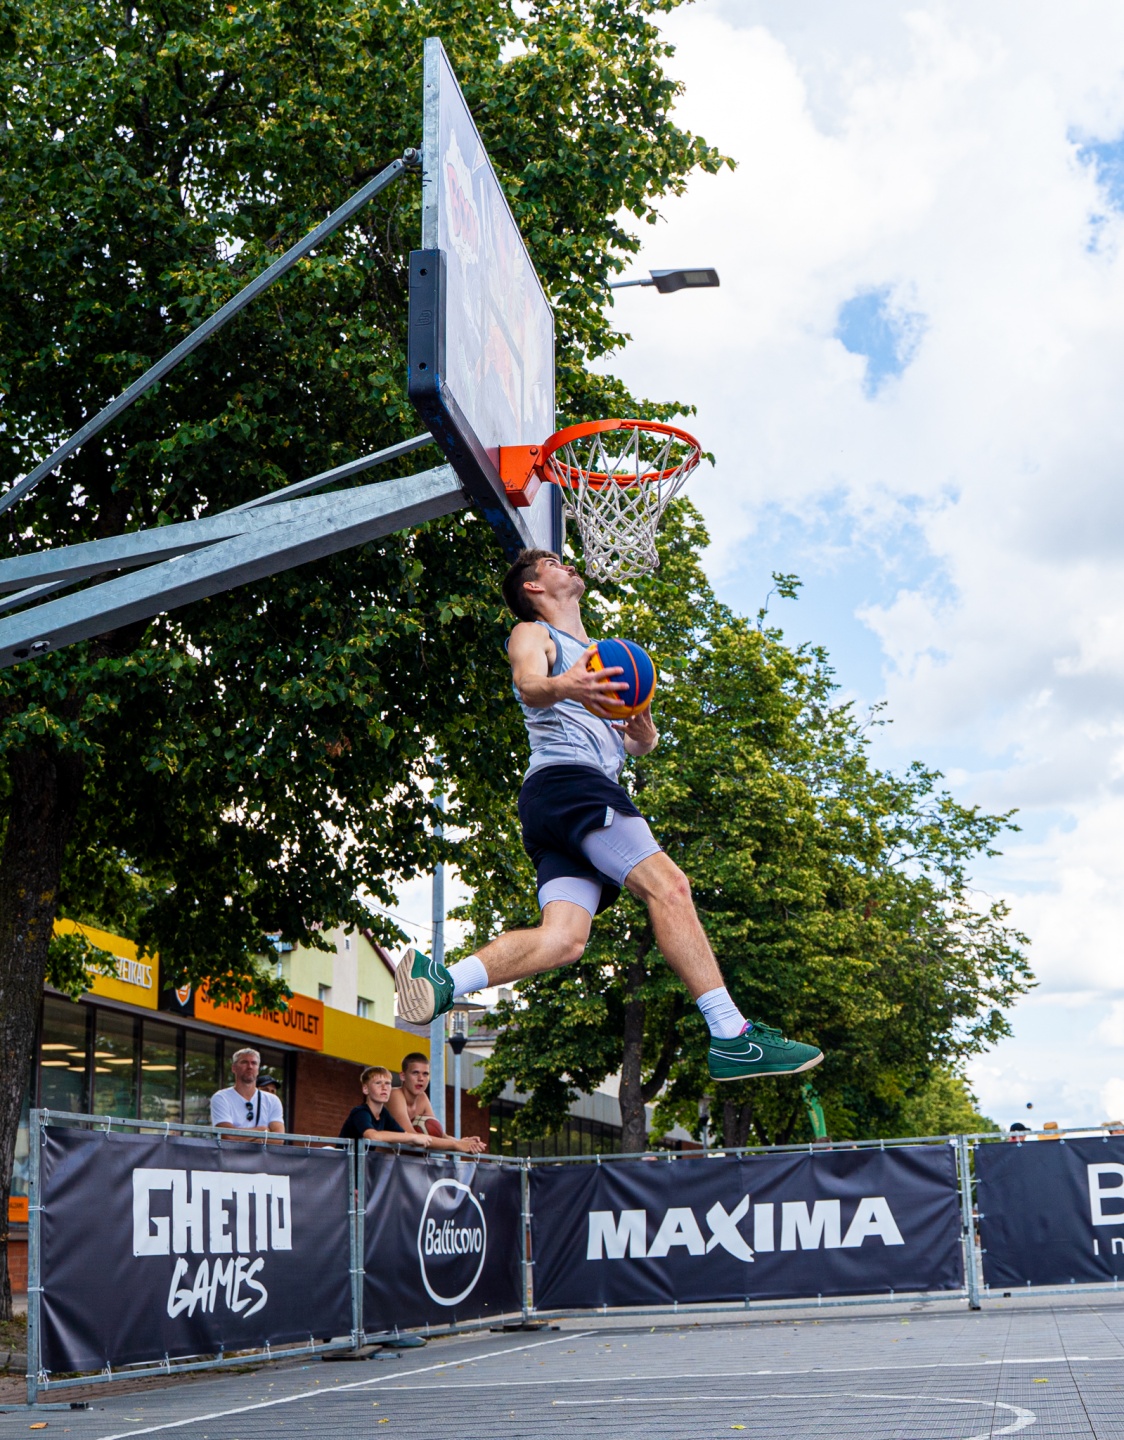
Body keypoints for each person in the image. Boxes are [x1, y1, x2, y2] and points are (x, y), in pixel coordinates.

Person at [396, 549, 823, 1084]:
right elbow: (529, 685)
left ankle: (443, 981)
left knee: (564, 940)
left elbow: (630, 742)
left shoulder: (603, 657)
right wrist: (565, 686)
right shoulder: (534, 633)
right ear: (533, 587)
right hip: (570, 782)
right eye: (553, 562)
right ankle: (731, 1034)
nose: (567, 564)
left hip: (558, 800)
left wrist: (643, 736)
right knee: (670, 887)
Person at [383, 1053, 486, 1153]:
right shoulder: (394, 1095)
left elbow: (439, 1133)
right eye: (415, 1073)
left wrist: (463, 1142)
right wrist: (456, 1144)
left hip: (406, 1161)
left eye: (425, 1074)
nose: (421, 1079)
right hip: (382, 1160)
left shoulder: (422, 1098)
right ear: (403, 1076)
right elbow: (411, 1136)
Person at [210, 1048, 285, 1137]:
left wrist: (238, 1134)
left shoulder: (272, 1100)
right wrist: (262, 1131)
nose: (250, 1067)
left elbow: (279, 1138)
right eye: (244, 1062)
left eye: (254, 1063)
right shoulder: (221, 1097)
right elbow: (227, 1136)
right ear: (234, 1068)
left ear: (258, 1069)